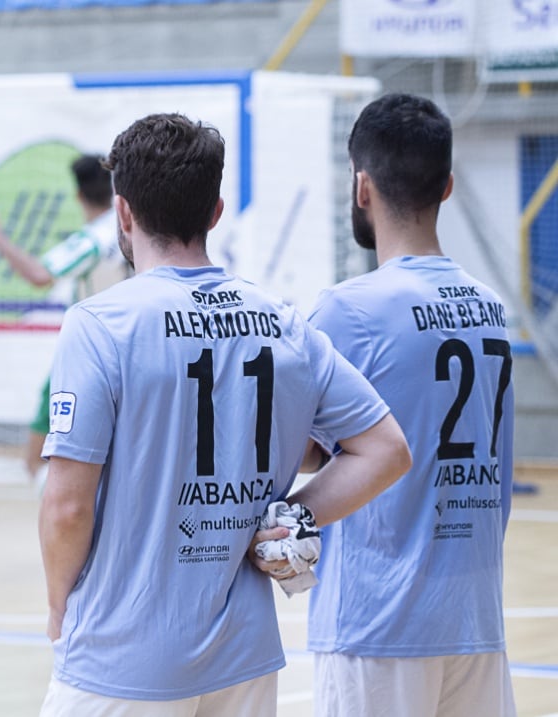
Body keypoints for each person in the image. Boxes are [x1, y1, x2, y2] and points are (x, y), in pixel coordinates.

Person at [37, 113, 412, 716]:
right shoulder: (284, 323)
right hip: (245, 659)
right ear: (215, 213)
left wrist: (60, 605)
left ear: (123, 214)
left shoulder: (101, 324)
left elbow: (67, 505)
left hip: (121, 656)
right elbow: (389, 448)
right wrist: (292, 516)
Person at [303, 93, 517, 716]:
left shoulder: (348, 309)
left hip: (379, 622)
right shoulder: (492, 309)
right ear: (447, 186)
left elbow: (300, 450)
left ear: (361, 187)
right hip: (475, 620)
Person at [0, 154, 126, 479]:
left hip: (90, 358)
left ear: (78, 196)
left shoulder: (93, 239)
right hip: (129, 355)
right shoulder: (130, 230)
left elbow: (39, 274)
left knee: (39, 460)